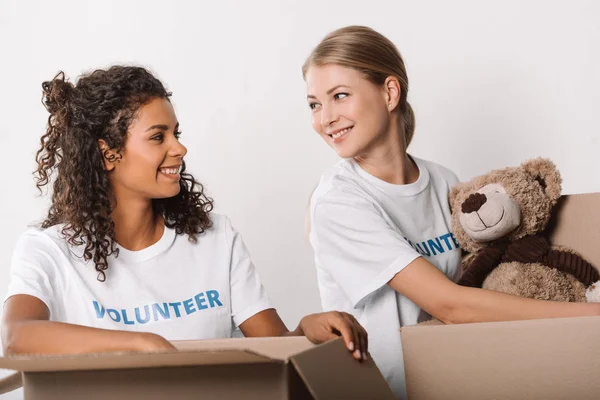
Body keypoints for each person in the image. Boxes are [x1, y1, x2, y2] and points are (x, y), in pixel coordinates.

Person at [303, 25, 600, 397]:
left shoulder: (443, 181)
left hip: (459, 378)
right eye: (314, 103)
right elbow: (451, 305)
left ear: (390, 92)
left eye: (339, 96)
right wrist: (592, 318)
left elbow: (481, 277)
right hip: (387, 390)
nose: (324, 118)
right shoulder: (339, 202)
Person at [1, 66, 368, 361]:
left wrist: (307, 331)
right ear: (109, 152)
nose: (180, 148)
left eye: (176, 133)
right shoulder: (49, 251)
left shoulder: (217, 240)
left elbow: (275, 350)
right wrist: (141, 345)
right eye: (158, 137)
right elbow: (16, 336)